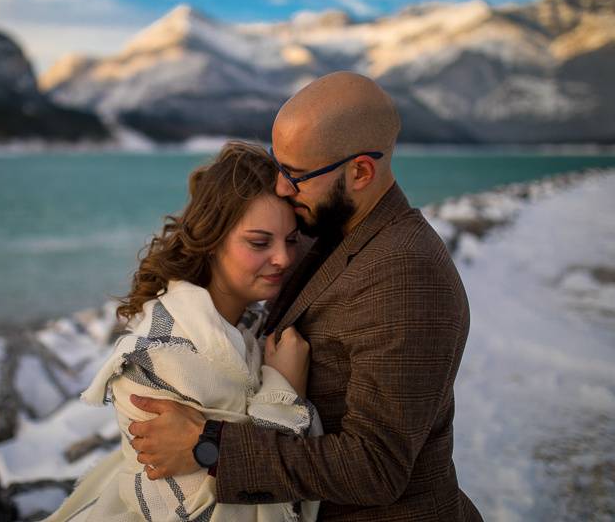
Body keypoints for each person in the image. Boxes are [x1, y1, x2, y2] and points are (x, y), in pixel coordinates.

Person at [125, 72, 484, 521]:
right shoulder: (329, 227)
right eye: (280, 168)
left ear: (360, 172)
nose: (280, 188)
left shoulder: (407, 272)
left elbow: (377, 467)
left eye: (296, 175)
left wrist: (209, 443)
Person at [43, 142, 322, 522]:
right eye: (259, 242)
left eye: (291, 241)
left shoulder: (254, 331)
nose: (283, 258)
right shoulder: (154, 360)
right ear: (211, 240)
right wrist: (281, 390)